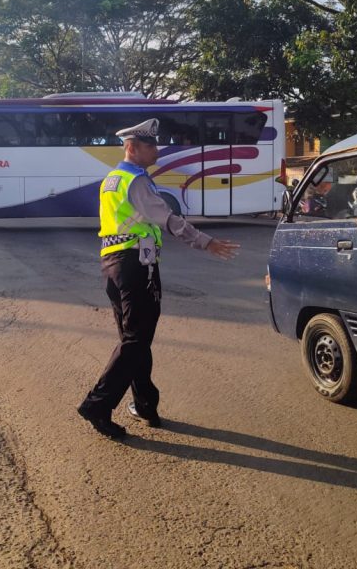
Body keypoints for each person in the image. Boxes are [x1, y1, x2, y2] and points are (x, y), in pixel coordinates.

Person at [77, 118, 241, 440]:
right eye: (151, 145)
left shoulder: (112, 179)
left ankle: (145, 404)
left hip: (113, 264)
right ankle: (98, 404)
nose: (157, 150)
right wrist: (206, 242)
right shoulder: (137, 181)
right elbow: (167, 219)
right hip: (138, 266)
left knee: (134, 340)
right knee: (136, 341)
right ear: (132, 147)